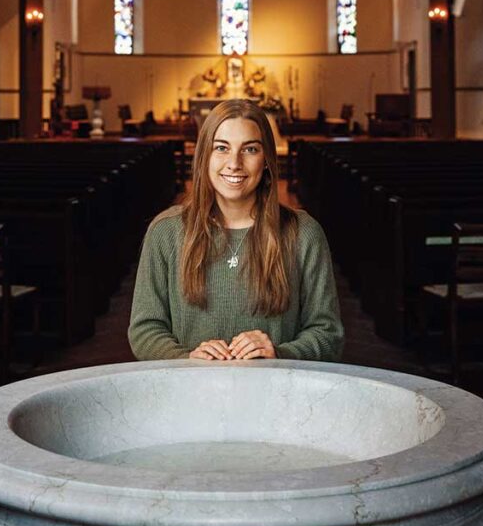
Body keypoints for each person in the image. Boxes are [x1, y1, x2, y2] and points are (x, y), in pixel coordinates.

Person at [128, 99, 344, 361]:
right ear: (204, 156)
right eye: (221, 148)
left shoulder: (304, 233)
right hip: (190, 393)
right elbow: (144, 329)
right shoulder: (165, 232)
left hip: (276, 393)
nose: (234, 163)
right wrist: (185, 360)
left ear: (266, 159)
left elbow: (328, 333)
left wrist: (280, 353)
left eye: (250, 149)